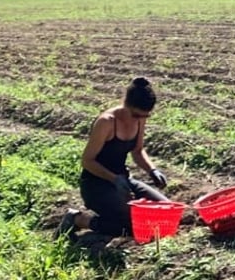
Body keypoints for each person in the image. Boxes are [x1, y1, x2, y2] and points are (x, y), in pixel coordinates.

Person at [56, 77, 170, 239]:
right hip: (96, 185)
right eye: (136, 115)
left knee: (165, 211)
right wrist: (114, 179)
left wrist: (152, 170)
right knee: (131, 227)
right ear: (126, 104)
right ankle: (78, 219)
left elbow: (137, 151)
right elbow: (87, 161)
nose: (140, 119)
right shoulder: (106, 122)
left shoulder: (139, 119)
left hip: (123, 181)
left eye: (145, 116)